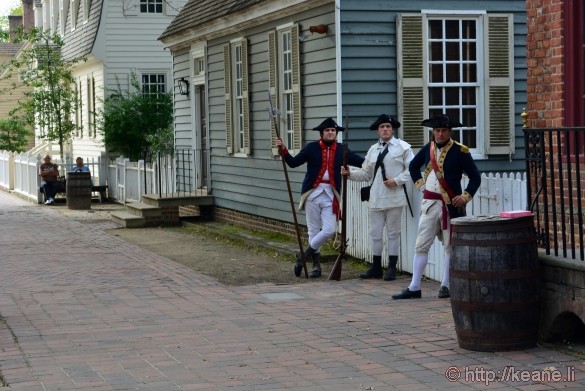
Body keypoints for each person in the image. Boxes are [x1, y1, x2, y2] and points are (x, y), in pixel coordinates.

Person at [392, 113, 481, 299]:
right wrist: (419, 185)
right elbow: (413, 167)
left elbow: (475, 176)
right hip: (430, 204)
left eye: (444, 131)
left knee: (450, 246)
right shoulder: (428, 148)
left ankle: (446, 285)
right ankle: (415, 286)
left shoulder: (461, 151)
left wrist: (465, 196)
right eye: (437, 130)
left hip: (451, 206)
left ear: (450, 132)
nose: (440, 134)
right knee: (421, 244)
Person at [276, 117, 364, 278]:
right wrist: (283, 150)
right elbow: (293, 163)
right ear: (322, 133)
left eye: (333, 130)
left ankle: (303, 255)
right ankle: (316, 265)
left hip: (331, 194)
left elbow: (361, 162)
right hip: (312, 193)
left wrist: (375, 160)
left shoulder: (342, 149)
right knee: (313, 230)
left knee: (329, 230)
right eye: (327, 130)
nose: (330, 133)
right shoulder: (311, 148)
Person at [341, 114, 414, 280]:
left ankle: (392, 268)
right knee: (375, 234)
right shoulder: (373, 150)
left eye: (388, 126)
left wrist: (396, 181)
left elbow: (412, 170)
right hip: (376, 197)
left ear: (393, 128)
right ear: (377, 130)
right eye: (382, 127)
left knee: (393, 233)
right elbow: (366, 174)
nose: (385, 129)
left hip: (395, 197)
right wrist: (349, 174)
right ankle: (376, 268)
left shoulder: (403, 148)